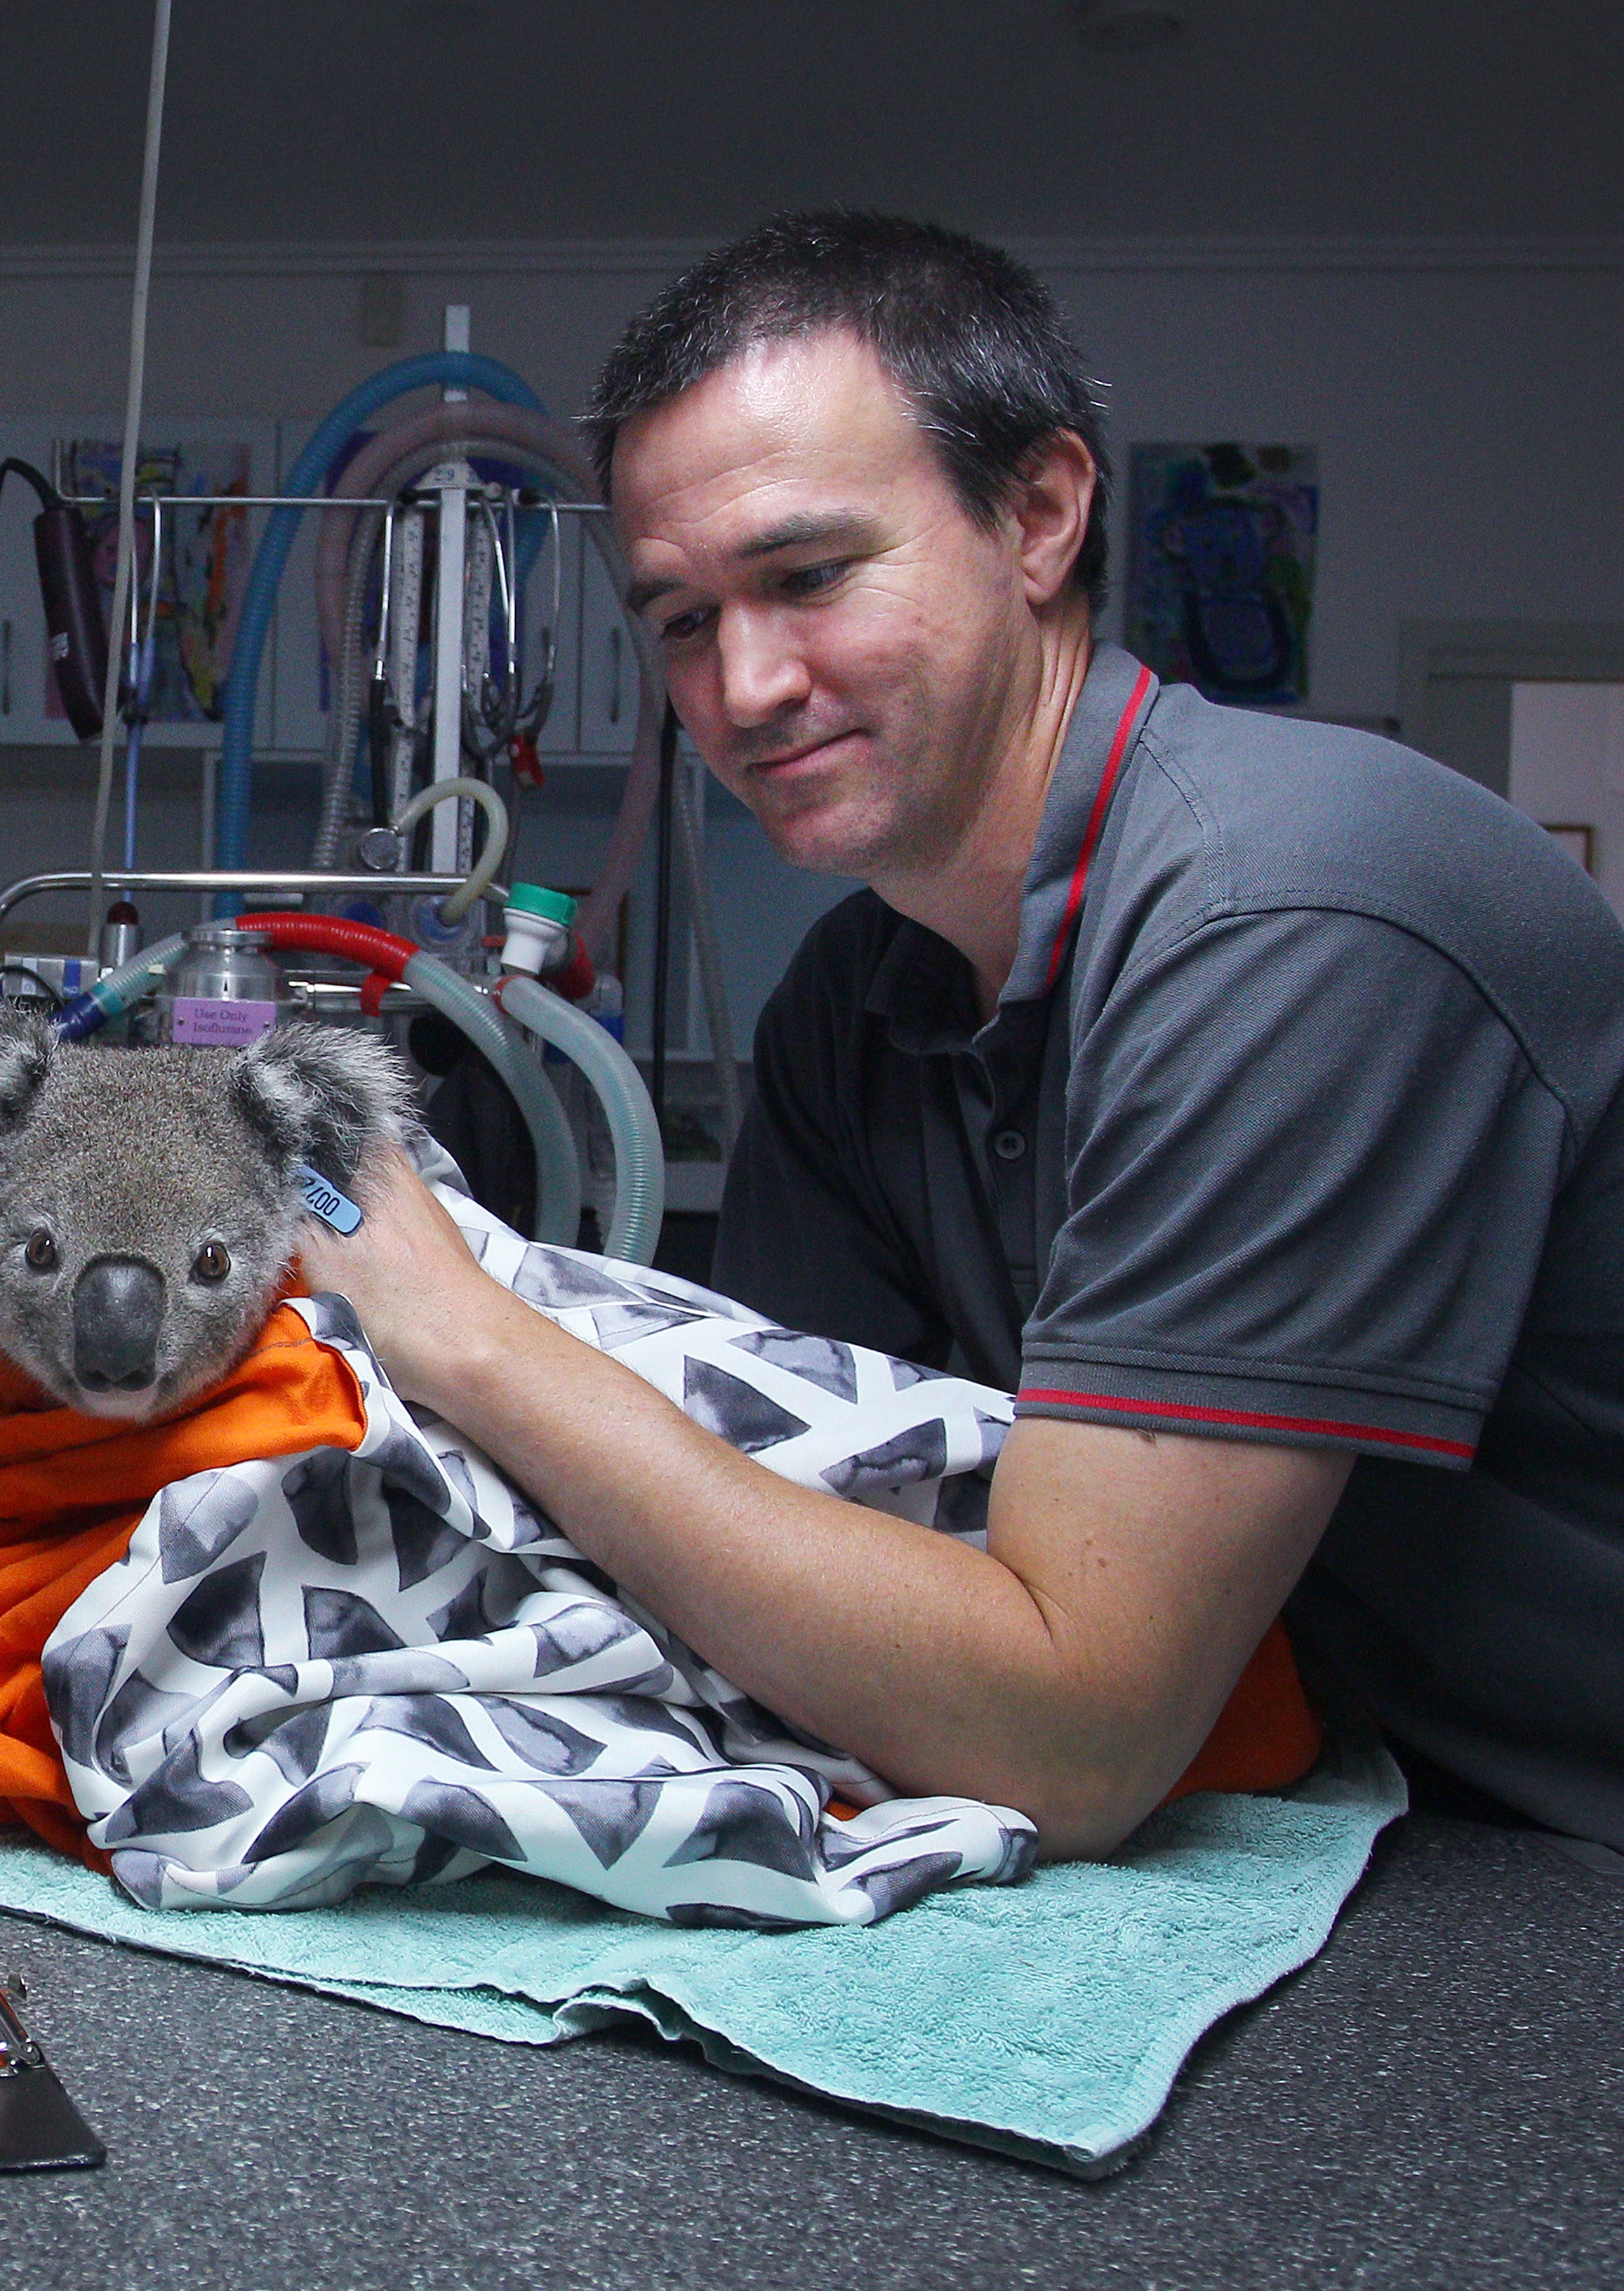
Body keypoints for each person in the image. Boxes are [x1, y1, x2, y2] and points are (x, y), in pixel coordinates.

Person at [308, 211, 1624, 1864]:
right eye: (683, 622)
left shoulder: (1295, 914)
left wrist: (471, 1333)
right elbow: (803, 1526)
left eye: (806, 578)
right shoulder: (855, 1010)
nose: (747, 685)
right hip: (1326, 1833)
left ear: (1040, 516)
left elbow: (1070, 1736)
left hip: (1557, 1873)